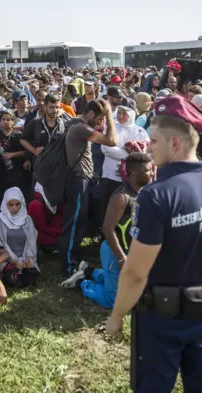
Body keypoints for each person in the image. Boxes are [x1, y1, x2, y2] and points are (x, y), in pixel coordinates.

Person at [104, 97, 202, 393]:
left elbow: (135, 272)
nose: (148, 147)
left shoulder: (156, 196)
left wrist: (117, 315)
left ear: (174, 143)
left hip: (162, 319)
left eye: (153, 141)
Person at [61, 153, 153, 309]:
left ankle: (90, 271)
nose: (152, 173)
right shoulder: (121, 197)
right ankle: (81, 282)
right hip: (114, 251)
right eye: (149, 170)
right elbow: (107, 229)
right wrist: (121, 258)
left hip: (129, 252)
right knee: (113, 300)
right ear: (135, 173)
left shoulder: (143, 191)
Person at [59, 99, 118, 277]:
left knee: (79, 221)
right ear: (91, 114)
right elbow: (112, 140)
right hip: (78, 180)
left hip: (81, 179)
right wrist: (109, 115)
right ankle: (68, 266)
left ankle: (74, 261)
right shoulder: (81, 128)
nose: (101, 124)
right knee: (74, 223)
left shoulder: (78, 125)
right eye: (100, 120)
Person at [0, 188, 40, 287]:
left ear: (22, 203)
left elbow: (31, 242)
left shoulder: (27, 219)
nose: (14, 207)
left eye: (17, 204)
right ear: (5, 204)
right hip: (7, 260)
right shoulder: (0, 219)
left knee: (29, 281)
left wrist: (30, 258)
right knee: (12, 280)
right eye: (11, 204)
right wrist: (12, 260)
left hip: (24, 259)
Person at [0, 111, 29, 195]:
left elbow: (25, 151)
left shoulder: (18, 135)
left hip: (14, 168)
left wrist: (12, 155)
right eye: (3, 119)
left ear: (13, 121)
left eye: (8, 119)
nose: (5, 122)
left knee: (13, 191)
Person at [27, 183, 63, 251]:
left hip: (52, 232)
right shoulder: (36, 204)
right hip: (39, 234)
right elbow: (40, 228)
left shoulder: (58, 200)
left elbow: (59, 217)